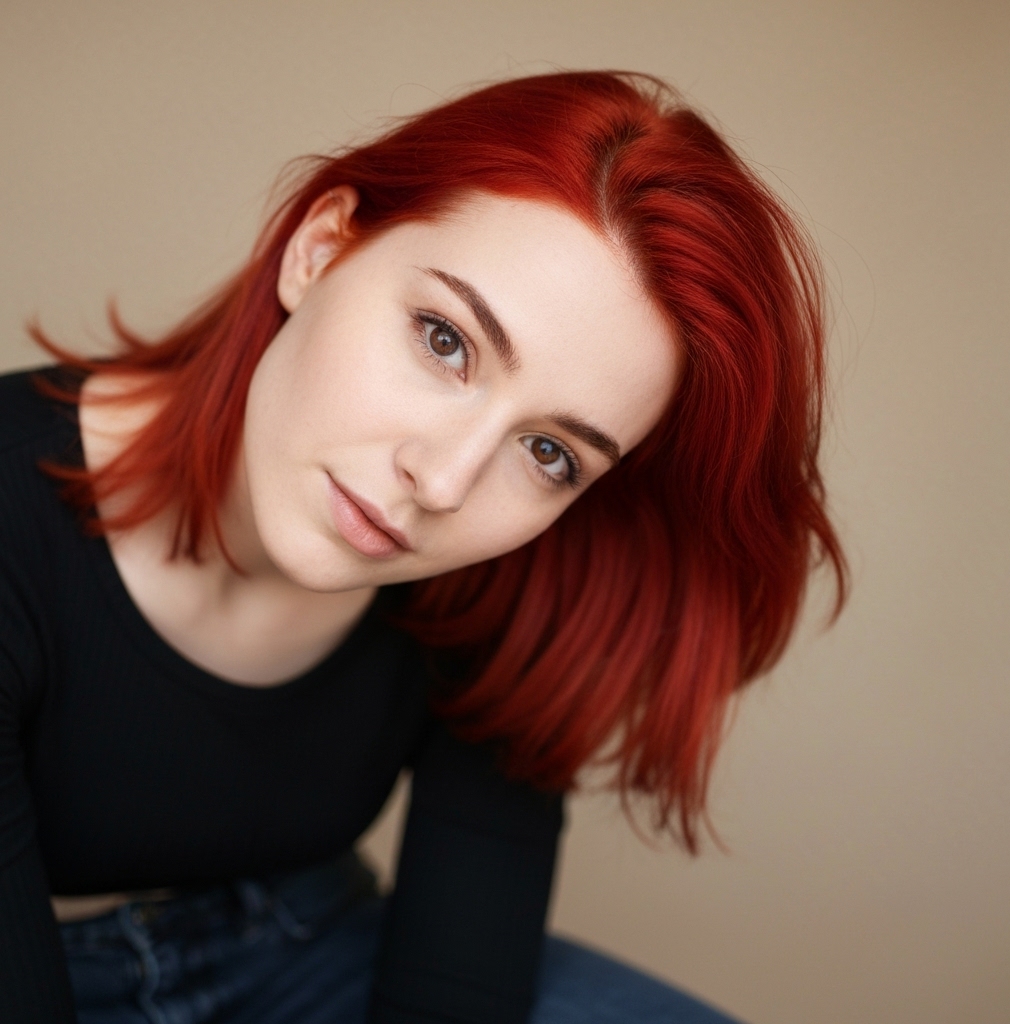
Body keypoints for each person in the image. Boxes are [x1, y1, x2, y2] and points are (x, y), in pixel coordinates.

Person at [0, 70, 845, 1023]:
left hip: (299, 945)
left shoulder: (508, 579)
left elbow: (457, 988)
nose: (443, 485)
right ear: (319, 250)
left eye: (549, 453)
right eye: (445, 339)